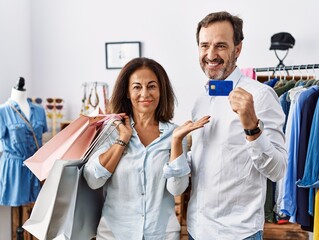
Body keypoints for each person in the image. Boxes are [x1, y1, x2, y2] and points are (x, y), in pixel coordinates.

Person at [169, 11, 288, 240]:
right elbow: (208, 163)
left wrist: (252, 127)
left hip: (238, 233)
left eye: (220, 45)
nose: (211, 54)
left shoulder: (261, 96)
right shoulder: (200, 100)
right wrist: (178, 145)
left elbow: (278, 169)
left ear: (238, 49)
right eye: (204, 45)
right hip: (197, 229)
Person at [83, 57, 209, 240]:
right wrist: (122, 140)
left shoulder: (175, 134)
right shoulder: (110, 131)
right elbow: (93, 180)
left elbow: (177, 189)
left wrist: (175, 142)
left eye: (151, 86)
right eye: (137, 87)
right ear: (127, 92)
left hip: (160, 234)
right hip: (115, 234)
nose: (145, 93)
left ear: (160, 90)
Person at [0, 77, 47, 207]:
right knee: (16, 210)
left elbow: (42, 136)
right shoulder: (2, 111)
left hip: (36, 167)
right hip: (14, 169)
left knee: (37, 208)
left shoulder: (39, 110)